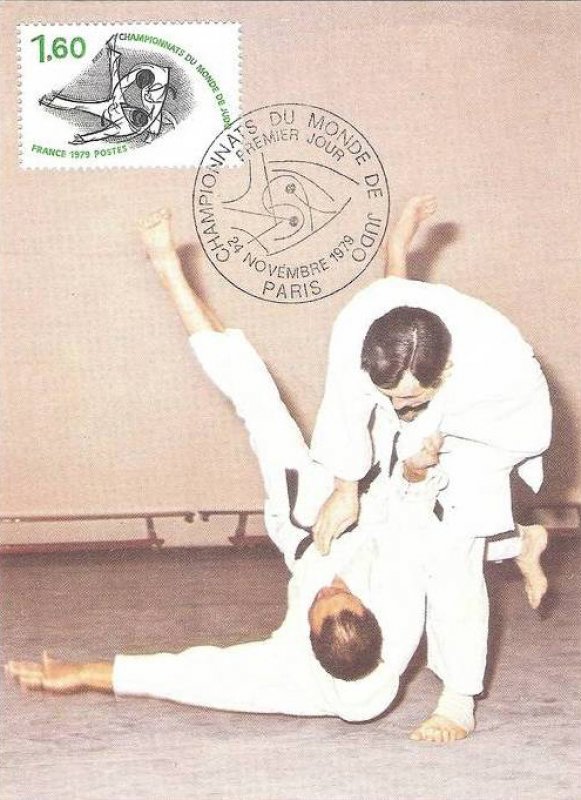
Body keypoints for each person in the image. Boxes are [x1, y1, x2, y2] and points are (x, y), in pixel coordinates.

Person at [6, 210, 470, 738]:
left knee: (257, 400)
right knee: (391, 404)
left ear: (304, 636)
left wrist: (84, 674)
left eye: (322, 598)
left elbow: (191, 674)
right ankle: (396, 258)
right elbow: (410, 522)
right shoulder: (398, 615)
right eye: (346, 593)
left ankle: (168, 269)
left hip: (305, 526)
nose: (333, 583)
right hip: (372, 519)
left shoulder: (291, 673)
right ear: (372, 617)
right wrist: (415, 473)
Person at [309, 195, 552, 738]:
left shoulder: (492, 366)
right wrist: (345, 487)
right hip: (432, 407)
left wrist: (420, 450)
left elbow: (437, 432)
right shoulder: (360, 327)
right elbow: (391, 298)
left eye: (409, 399)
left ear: (443, 373)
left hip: (494, 426)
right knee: (396, 512)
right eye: (388, 395)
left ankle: (459, 698)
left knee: (449, 553)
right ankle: (517, 541)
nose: (396, 409)